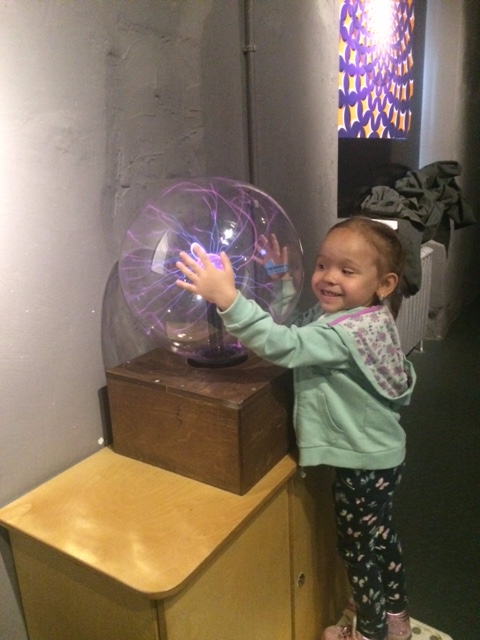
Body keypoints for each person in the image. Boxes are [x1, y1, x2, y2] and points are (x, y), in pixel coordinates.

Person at [176, 216, 416, 640]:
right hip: (383, 457)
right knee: (381, 537)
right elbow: (303, 324)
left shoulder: (345, 336)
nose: (329, 277)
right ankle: (395, 618)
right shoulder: (366, 319)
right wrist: (279, 277)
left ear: (385, 284)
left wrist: (228, 299)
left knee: (357, 551)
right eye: (323, 265)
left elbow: (287, 344)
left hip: (363, 465)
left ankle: (370, 632)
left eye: (347, 270)